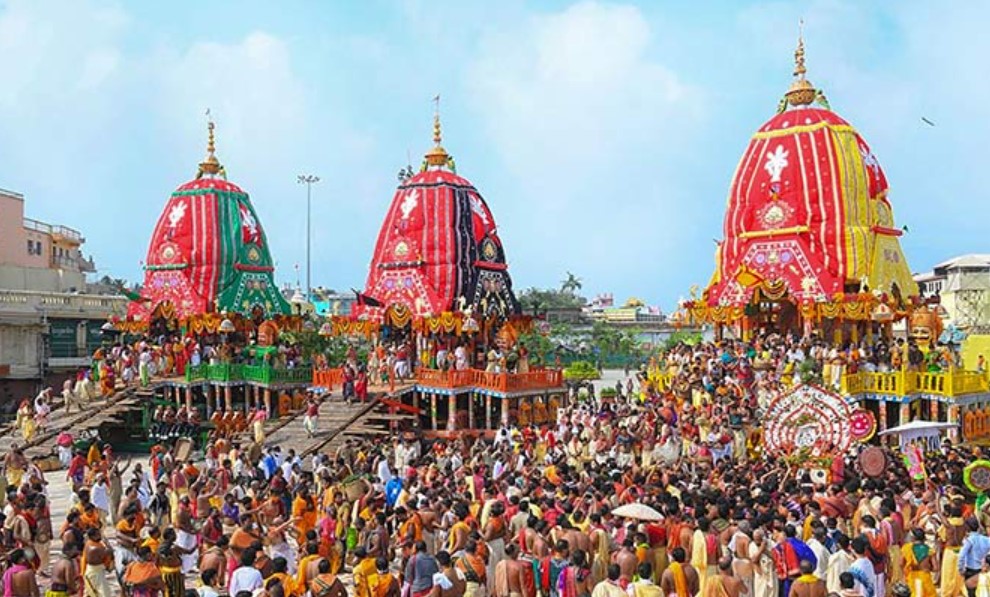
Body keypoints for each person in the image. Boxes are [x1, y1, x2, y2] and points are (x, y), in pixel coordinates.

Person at [901, 529, 935, 597]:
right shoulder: (929, 549)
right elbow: (936, 567)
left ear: (914, 538)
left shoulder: (906, 548)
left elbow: (901, 564)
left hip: (912, 577)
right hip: (925, 577)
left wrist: (905, 572)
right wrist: (927, 567)